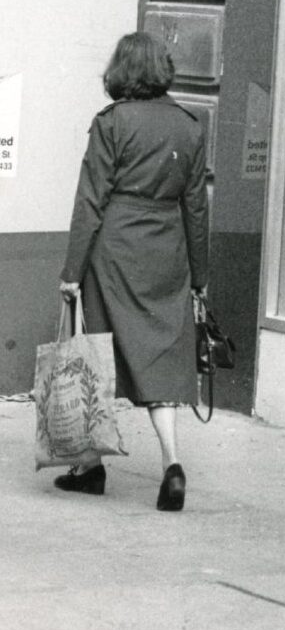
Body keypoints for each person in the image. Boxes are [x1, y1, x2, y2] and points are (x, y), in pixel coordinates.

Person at [56, 31, 210, 510]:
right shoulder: (190, 124)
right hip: (166, 253)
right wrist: (200, 278)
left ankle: (90, 466)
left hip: (115, 251)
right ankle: (172, 465)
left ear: (121, 70)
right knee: (162, 361)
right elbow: (197, 211)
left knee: (98, 357)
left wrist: (71, 272)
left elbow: (90, 202)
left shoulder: (111, 123)